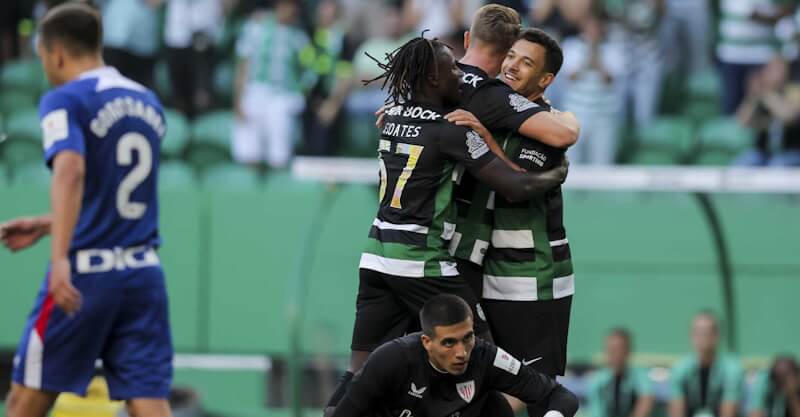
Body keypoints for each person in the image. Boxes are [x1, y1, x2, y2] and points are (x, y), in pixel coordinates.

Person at [325, 33, 570, 416]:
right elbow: (515, 186)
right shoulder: (451, 129)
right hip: (422, 258)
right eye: (452, 68)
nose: (461, 74)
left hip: (375, 257)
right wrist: (556, 174)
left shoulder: (392, 116)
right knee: (480, 354)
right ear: (433, 79)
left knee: (358, 372)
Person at [0, 4, 172, 417]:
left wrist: (59, 256)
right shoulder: (147, 101)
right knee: (148, 402)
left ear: (56, 53)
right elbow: (119, 197)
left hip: (85, 277)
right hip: (144, 274)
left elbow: (71, 169)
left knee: (26, 398)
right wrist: (48, 224)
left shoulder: (65, 99)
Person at [446, 28, 577, 417]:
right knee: (493, 382)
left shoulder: (546, 127)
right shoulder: (498, 106)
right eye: (511, 56)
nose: (512, 66)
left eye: (526, 62)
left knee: (539, 390)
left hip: (535, 274)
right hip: (494, 269)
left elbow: (517, 183)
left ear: (545, 80)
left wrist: (481, 135)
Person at [330, 294, 580, 417]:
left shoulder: (485, 357)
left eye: (467, 337)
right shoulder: (392, 359)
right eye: (449, 343)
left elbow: (561, 396)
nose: (461, 352)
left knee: (495, 405)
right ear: (426, 341)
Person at [231, 0, 314, 169]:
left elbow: (311, 70)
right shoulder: (255, 28)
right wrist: (237, 99)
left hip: (283, 94)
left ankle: (278, 177)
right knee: (248, 145)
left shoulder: (300, 38)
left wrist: (301, 91)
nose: (289, 10)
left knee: (279, 145)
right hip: (254, 90)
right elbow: (243, 64)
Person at [668, 312, 743, 417]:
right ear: (691, 336)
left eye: (706, 332)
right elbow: (676, 410)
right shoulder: (679, 368)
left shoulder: (732, 368)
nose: (701, 337)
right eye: (697, 332)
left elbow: (729, 411)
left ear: (716, 336)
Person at [586, 329, 655, 417]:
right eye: (611, 349)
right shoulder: (597, 382)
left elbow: (646, 398)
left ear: (628, 350)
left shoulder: (639, 375)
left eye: (620, 349)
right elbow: (596, 412)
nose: (616, 354)